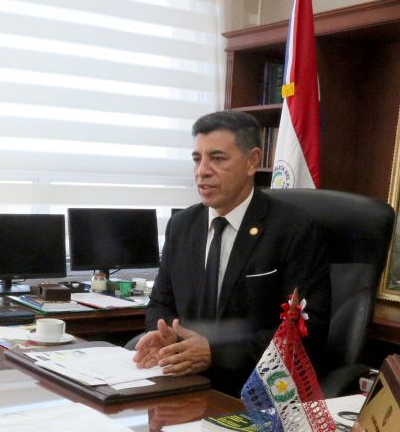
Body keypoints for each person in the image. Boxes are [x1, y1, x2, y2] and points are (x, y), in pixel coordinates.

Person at [133, 110, 331, 395]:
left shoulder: (294, 229)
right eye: (197, 159)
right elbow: (160, 303)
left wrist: (215, 352)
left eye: (217, 158)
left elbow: (303, 332)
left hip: (255, 390)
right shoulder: (182, 225)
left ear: (252, 161)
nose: (202, 171)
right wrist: (166, 333)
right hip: (182, 379)